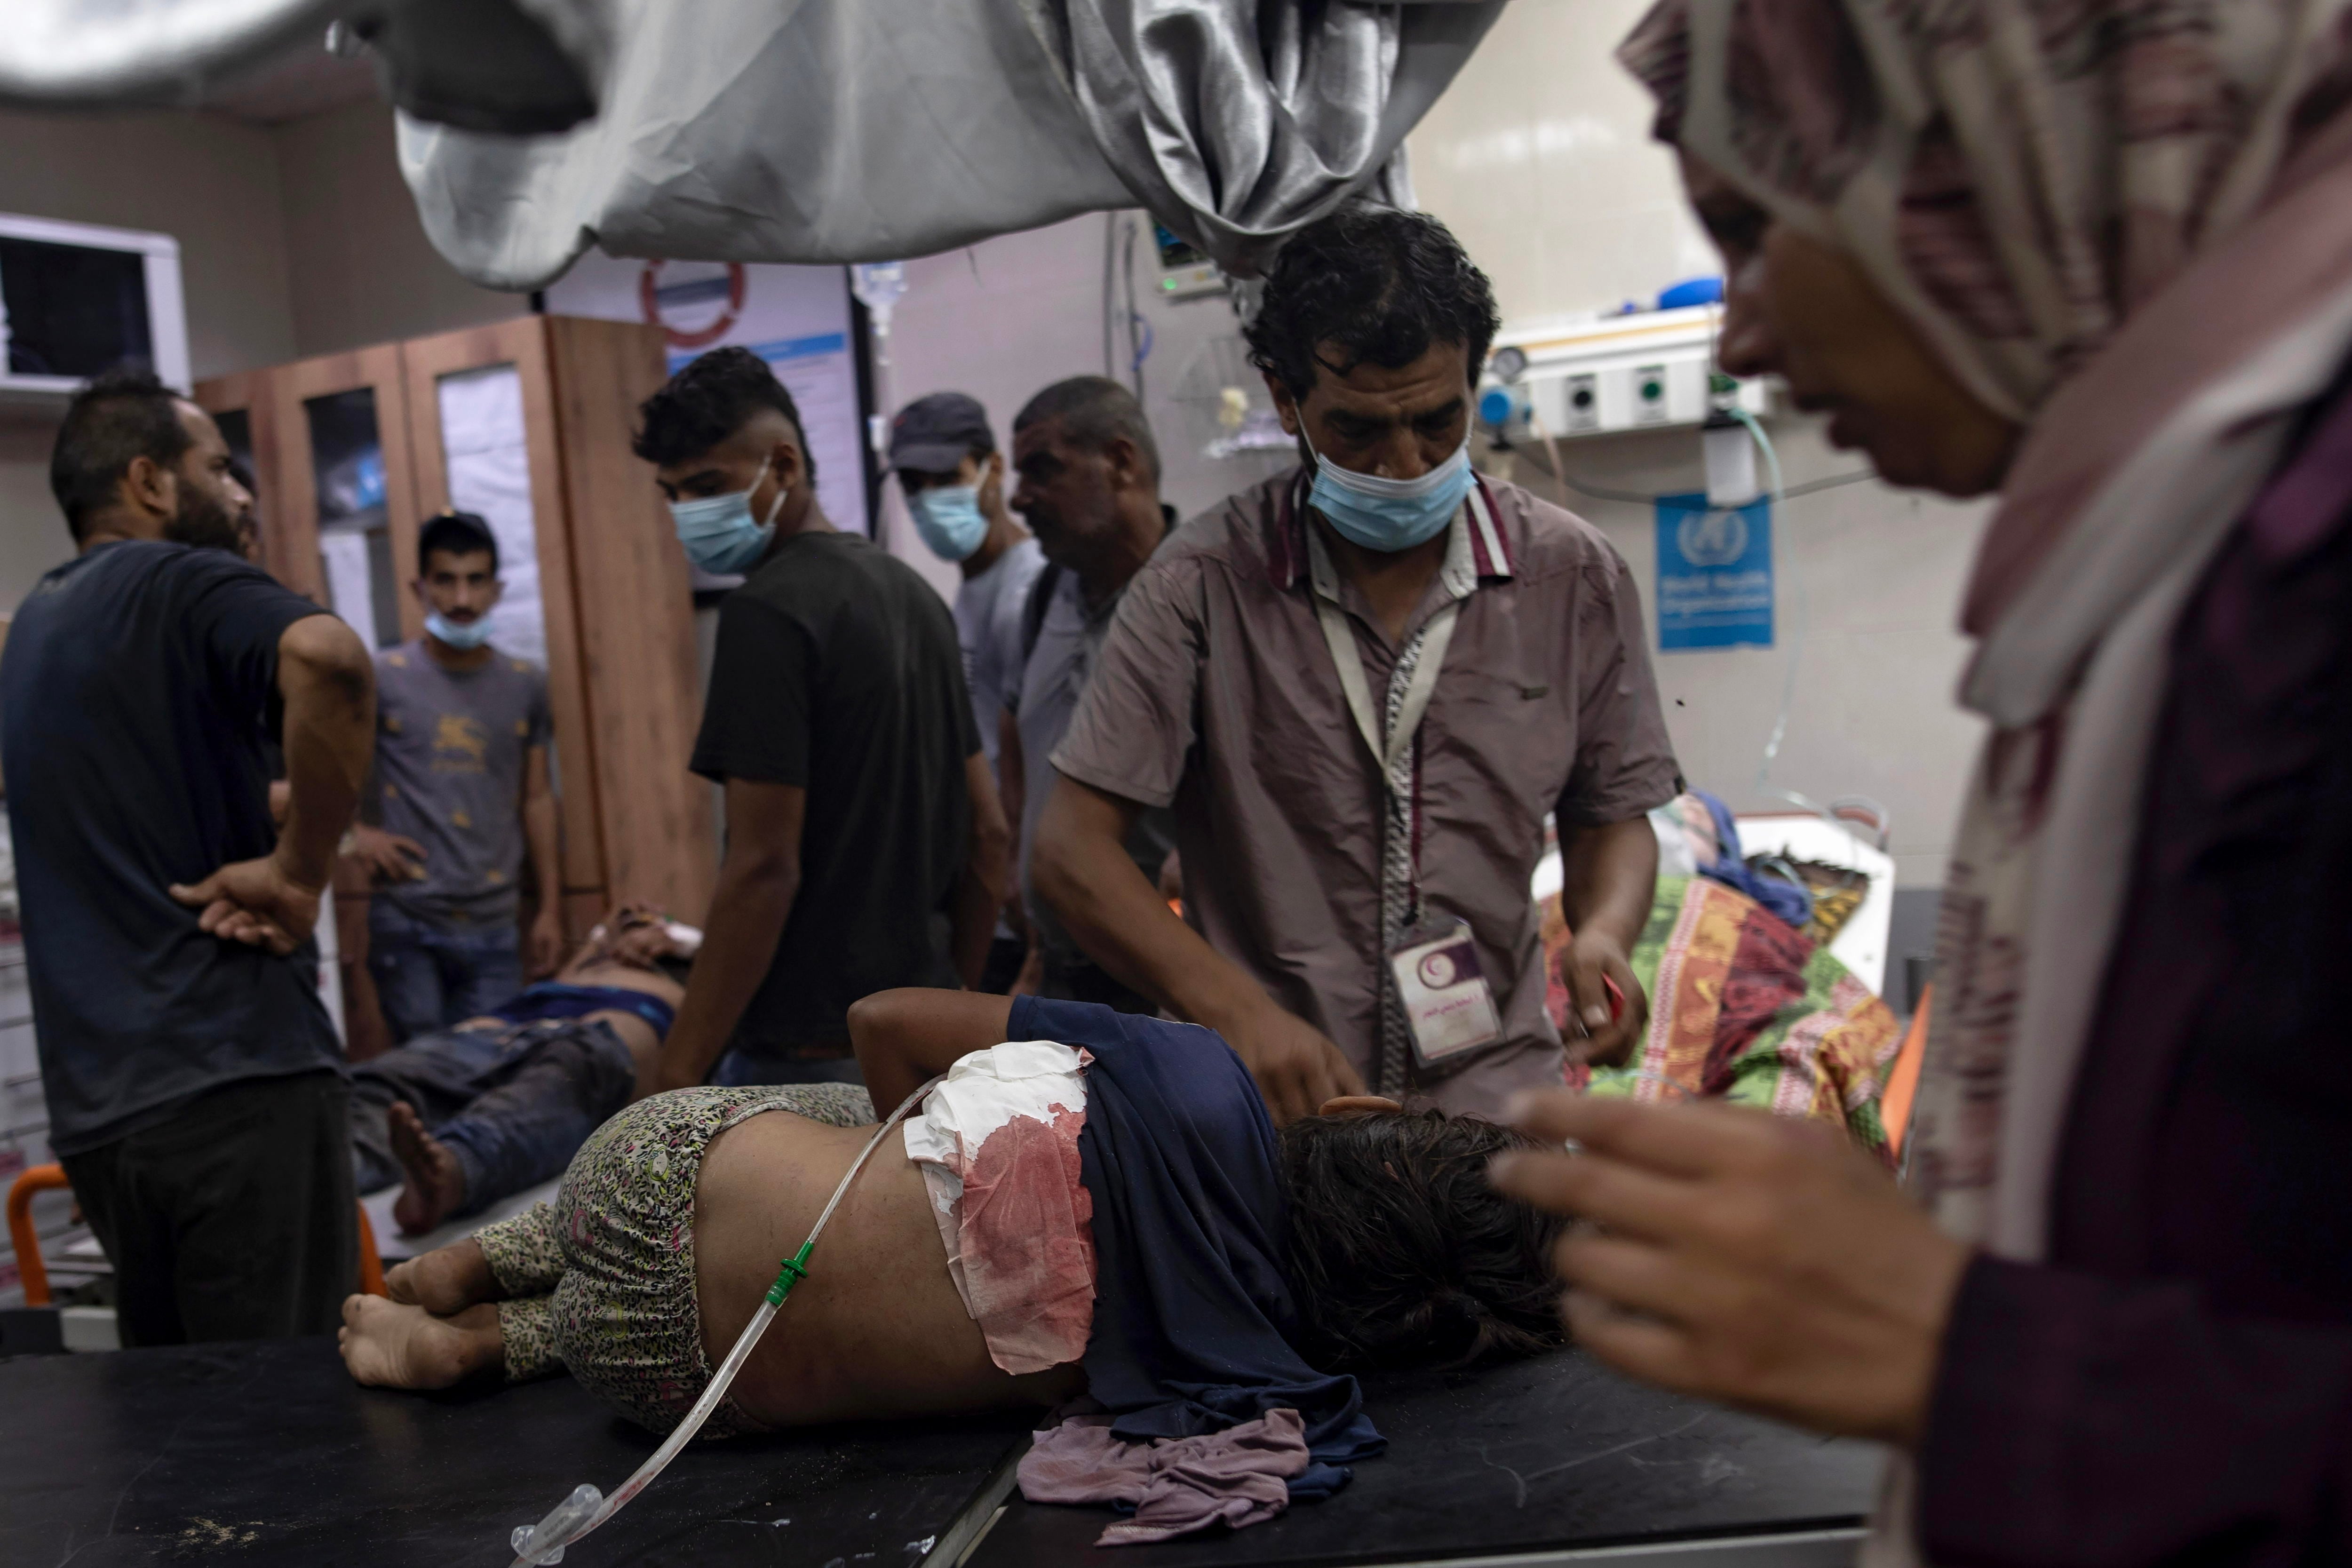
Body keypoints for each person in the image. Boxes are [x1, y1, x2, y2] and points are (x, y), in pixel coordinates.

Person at [1487, 6, 2352, 1568]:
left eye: (1755, 230)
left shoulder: (2308, 584)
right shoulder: (2156, 577)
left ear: (1994, 148)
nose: (1737, 335)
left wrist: (1973, 1355)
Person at [338, 990, 1564, 1536]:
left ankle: (459, 1268)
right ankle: (484, 1346)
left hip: (634, 1178)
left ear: (1355, 1111)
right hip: (666, 1383)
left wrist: (935, 1161)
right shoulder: (1264, 1376)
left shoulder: (1194, 1070)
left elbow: (883, 1019)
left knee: (923, 1103)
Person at [1033, 208, 1682, 1122]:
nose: (1406, 462)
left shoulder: (1572, 576)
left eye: (1436, 419)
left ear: (1474, 378)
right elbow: (1070, 854)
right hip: (1277, 1108)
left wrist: (1604, 932)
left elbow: (1611, 810)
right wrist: (1239, 1013)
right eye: (1359, 432)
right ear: (1284, 399)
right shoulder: (1199, 588)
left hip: (1491, 1105)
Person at [1, 367, 374, 1345]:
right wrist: (300, 873)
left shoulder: (33, 626)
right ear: (151, 483)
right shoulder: (181, 578)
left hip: (103, 1119)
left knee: (185, 1446)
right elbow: (331, 661)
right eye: (218, 465)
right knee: (293, 1435)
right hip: (234, 1082)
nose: (241, 491)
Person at [634, 348, 1010, 1089]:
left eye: (708, 486)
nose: (688, 516)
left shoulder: (767, 612)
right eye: (672, 494)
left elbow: (763, 869)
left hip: (807, 1054)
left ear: (783, 465)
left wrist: (673, 1076)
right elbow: (990, 836)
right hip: (915, 1044)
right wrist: (946, 1002)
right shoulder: (917, 598)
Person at [347, 510, 562, 1042]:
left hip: (494, 921)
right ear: (420, 587)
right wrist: (355, 835)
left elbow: (535, 797)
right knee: (424, 1077)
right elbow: (319, 767)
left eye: (475, 580)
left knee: (492, 1071)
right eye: (446, 580)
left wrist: (551, 909)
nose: (462, 599)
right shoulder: (383, 677)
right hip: (406, 917)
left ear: (497, 588)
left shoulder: (524, 683)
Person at [1000, 376, 1179, 1012]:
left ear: (1121, 462)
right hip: (1059, 973)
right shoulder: (1048, 595)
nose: (1019, 499)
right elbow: (1015, 727)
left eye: (1043, 469)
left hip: (1161, 984)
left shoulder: (1199, 603)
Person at [351, 905, 692, 1236]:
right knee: (394, 1074)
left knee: (563, 1072)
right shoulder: (593, 957)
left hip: (613, 1020)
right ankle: (331, 1161)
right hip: (512, 1020)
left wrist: (677, 941)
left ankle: (453, 1169)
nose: (641, 924)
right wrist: (611, 929)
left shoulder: (691, 960)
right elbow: (605, 929)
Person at [889, 391, 1045, 993]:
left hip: (1019, 909)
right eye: (913, 484)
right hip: (987, 897)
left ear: (994, 469)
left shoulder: (1027, 587)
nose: (929, 500)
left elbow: (1035, 760)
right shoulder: (970, 594)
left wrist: (1021, 898)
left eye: (945, 478)